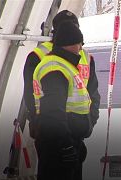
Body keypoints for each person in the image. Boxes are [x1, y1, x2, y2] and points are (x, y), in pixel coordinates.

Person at [32, 21, 99, 180]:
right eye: (78, 44)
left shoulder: (64, 65)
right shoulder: (55, 69)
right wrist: (65, 146)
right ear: (68, 44)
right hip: (58, 147)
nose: (80, 48)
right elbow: (53, 113)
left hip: (68, 143)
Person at [23, 10, 100, 139]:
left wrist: (89, 121)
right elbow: (31, 93)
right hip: (52, 130)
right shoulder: (39, 55)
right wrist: (37, 122)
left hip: (77, 129)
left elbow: (93, 92)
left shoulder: (85, 56)